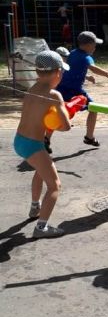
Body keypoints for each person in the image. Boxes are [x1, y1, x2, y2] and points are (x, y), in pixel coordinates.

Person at [14, 50, 71, 238]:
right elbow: (66, 127)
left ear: (38, 72)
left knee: (41, 170)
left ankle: (34, 207)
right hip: (33, 145)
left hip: (19, 140)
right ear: (58, 73)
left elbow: (37, 118)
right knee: (54, 186)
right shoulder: (54, 95)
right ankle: (41, 228)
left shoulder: (32, 89)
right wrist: (66, 110)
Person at [56, 31, 108, 147]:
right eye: (94, 45)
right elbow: (93, 68)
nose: (95, 47)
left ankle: (46, 138)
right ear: (88, 45)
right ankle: (89, 137)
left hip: (61, 88)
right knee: (93, 108)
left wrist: (86, 76)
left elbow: (71, 69)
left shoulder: (72, 53)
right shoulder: (87, 57)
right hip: (75, 90)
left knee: (56, 112)